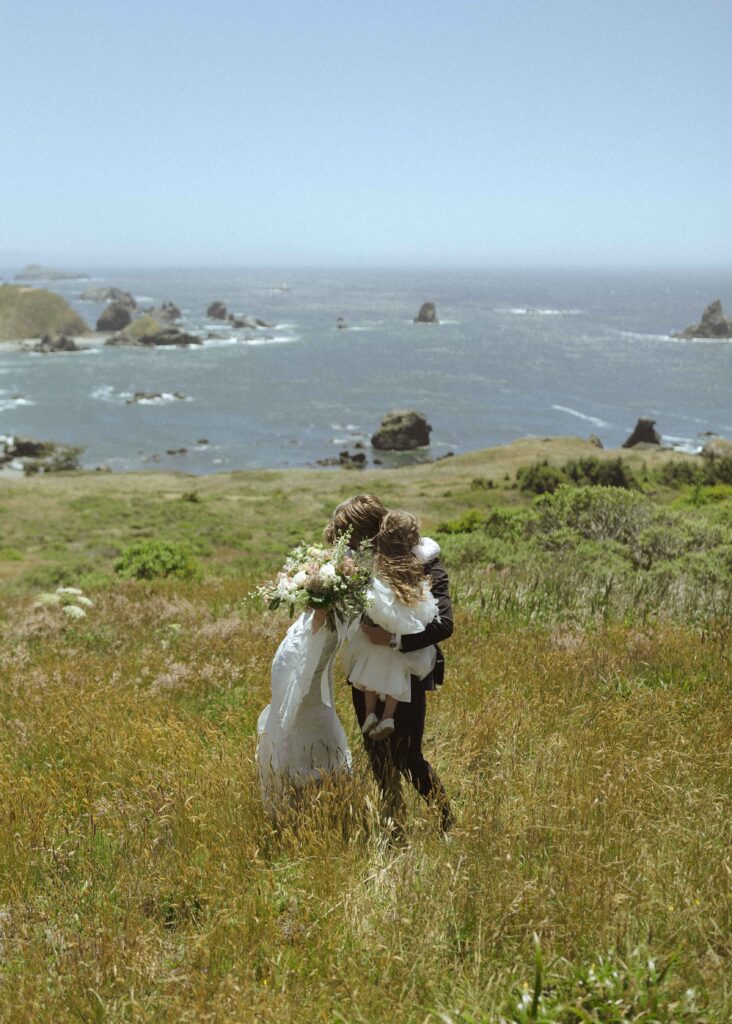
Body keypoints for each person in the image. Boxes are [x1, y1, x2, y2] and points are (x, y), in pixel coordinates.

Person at [325, 494, 455, 832]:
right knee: (376, 754)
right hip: (365, 673)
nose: (348, 548)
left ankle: (446, 820)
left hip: (408, 676)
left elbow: (444, 625)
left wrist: (395, 640)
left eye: (351, 539)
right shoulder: (356, 568)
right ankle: (393, 821)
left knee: (408, 757)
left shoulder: (426, 562)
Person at [343, 510, 440, 742]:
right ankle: (387, 717)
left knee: (368, 671)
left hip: (378, 622)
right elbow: (431, 548)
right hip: (403, 624)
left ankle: (369, 715)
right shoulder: (414, 561)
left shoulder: (378, 561)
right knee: (398, 671)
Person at [256, 605, 352, 813]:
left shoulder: (325, 626)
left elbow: (303, 667)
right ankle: (311, 810)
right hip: (306, 706)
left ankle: (322, 810)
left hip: (310, 704)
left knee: (312, 755)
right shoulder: (313, 623)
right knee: (304, 753)